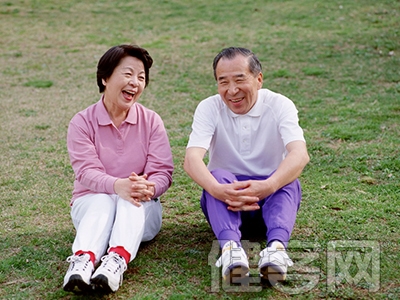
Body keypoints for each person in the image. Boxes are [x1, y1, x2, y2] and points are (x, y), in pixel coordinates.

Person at [184, 47, 309, 286]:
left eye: (240, 80)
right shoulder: (209, 108)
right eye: (223, 82)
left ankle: (276, 251)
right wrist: (218, 190)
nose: (232, 91)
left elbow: (300, 155)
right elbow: (191, 159)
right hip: (226, 203)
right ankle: (231, 251)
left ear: (259, 79)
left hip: (271, 201)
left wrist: (269, 185)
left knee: (287, 179)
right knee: (217, 176)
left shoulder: (280, 105)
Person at [63, 44, 174, 294]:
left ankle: (114, 263)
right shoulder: (82, 122)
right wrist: (117, 186)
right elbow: (86, 172)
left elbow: (163, 172)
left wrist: (150, 186)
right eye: (128, 74)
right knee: (104, 200)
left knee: (130, 200)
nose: (135, 82)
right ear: (105, 78)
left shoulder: (151, 121)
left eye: (141, 77)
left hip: (142, 208)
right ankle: (82, 262)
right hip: (91, 206)